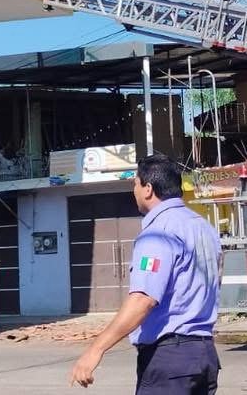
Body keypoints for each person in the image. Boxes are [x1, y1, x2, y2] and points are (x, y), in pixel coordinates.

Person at [69, 154, 222, 393]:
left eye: (135, 185)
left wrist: (95, 349)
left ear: (148, 189)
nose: (134, 192)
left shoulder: (158, 232)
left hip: (171, 359)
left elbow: (143, 299)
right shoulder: (204, 227)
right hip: (204, 355)